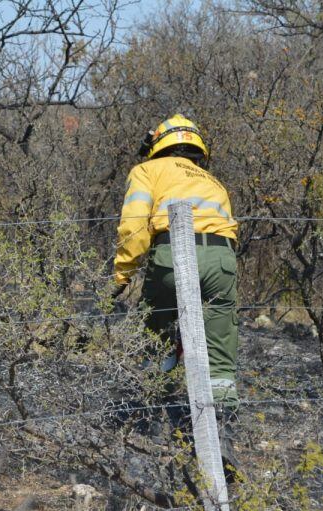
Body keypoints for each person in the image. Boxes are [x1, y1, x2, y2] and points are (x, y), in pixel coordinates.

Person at [112, 113, 240, 477]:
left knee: (156, 337)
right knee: (220, 355)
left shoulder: (147, 171)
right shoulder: (213, 181)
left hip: (173, 254)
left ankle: (151, 417)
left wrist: (123, 275)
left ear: (158, 145)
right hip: (222, 260)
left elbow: (134, 225)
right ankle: (221, 436)